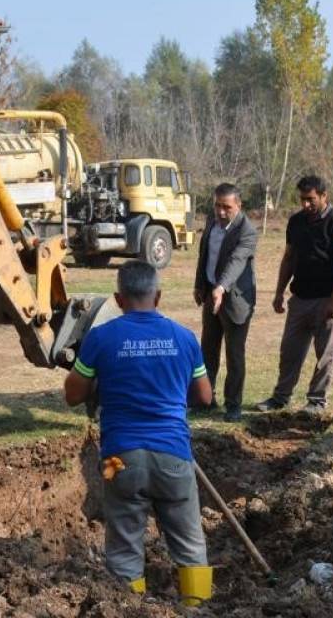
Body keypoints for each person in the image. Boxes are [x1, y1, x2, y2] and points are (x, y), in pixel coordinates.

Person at [64, 260, 215, 606]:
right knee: (190, 545)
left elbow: (73, 395)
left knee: (123, 543)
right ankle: (196, 609)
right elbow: (204, 396)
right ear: (158, 296)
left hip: (120, 458)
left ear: (118, 299)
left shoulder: (101, 338)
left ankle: (129, 610)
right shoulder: (184, 338)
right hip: (174, 455)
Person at [258, 175, 333, 416]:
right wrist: (279, 292)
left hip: (327, 299)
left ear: (324, 196)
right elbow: (289, 257)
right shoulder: (296, 222)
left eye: (311, 200)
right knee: (289, 351)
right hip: (300, 298)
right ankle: (281, 397)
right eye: (302, 199)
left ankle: (316, 400)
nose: (306, 205)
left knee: (325, 354)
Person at [194, 183, 258, 422]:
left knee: (234, 354)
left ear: (238, 205)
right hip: (211, 295)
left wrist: (221, 288)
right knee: (207, 351)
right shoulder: (212, 221)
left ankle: (233, 405)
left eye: (227, 207)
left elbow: (237, 261)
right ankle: (206, 401)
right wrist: (200, 284)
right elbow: (204, 255)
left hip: (235, 301)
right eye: (217, 205)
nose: (221, 212)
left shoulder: (247, 232)